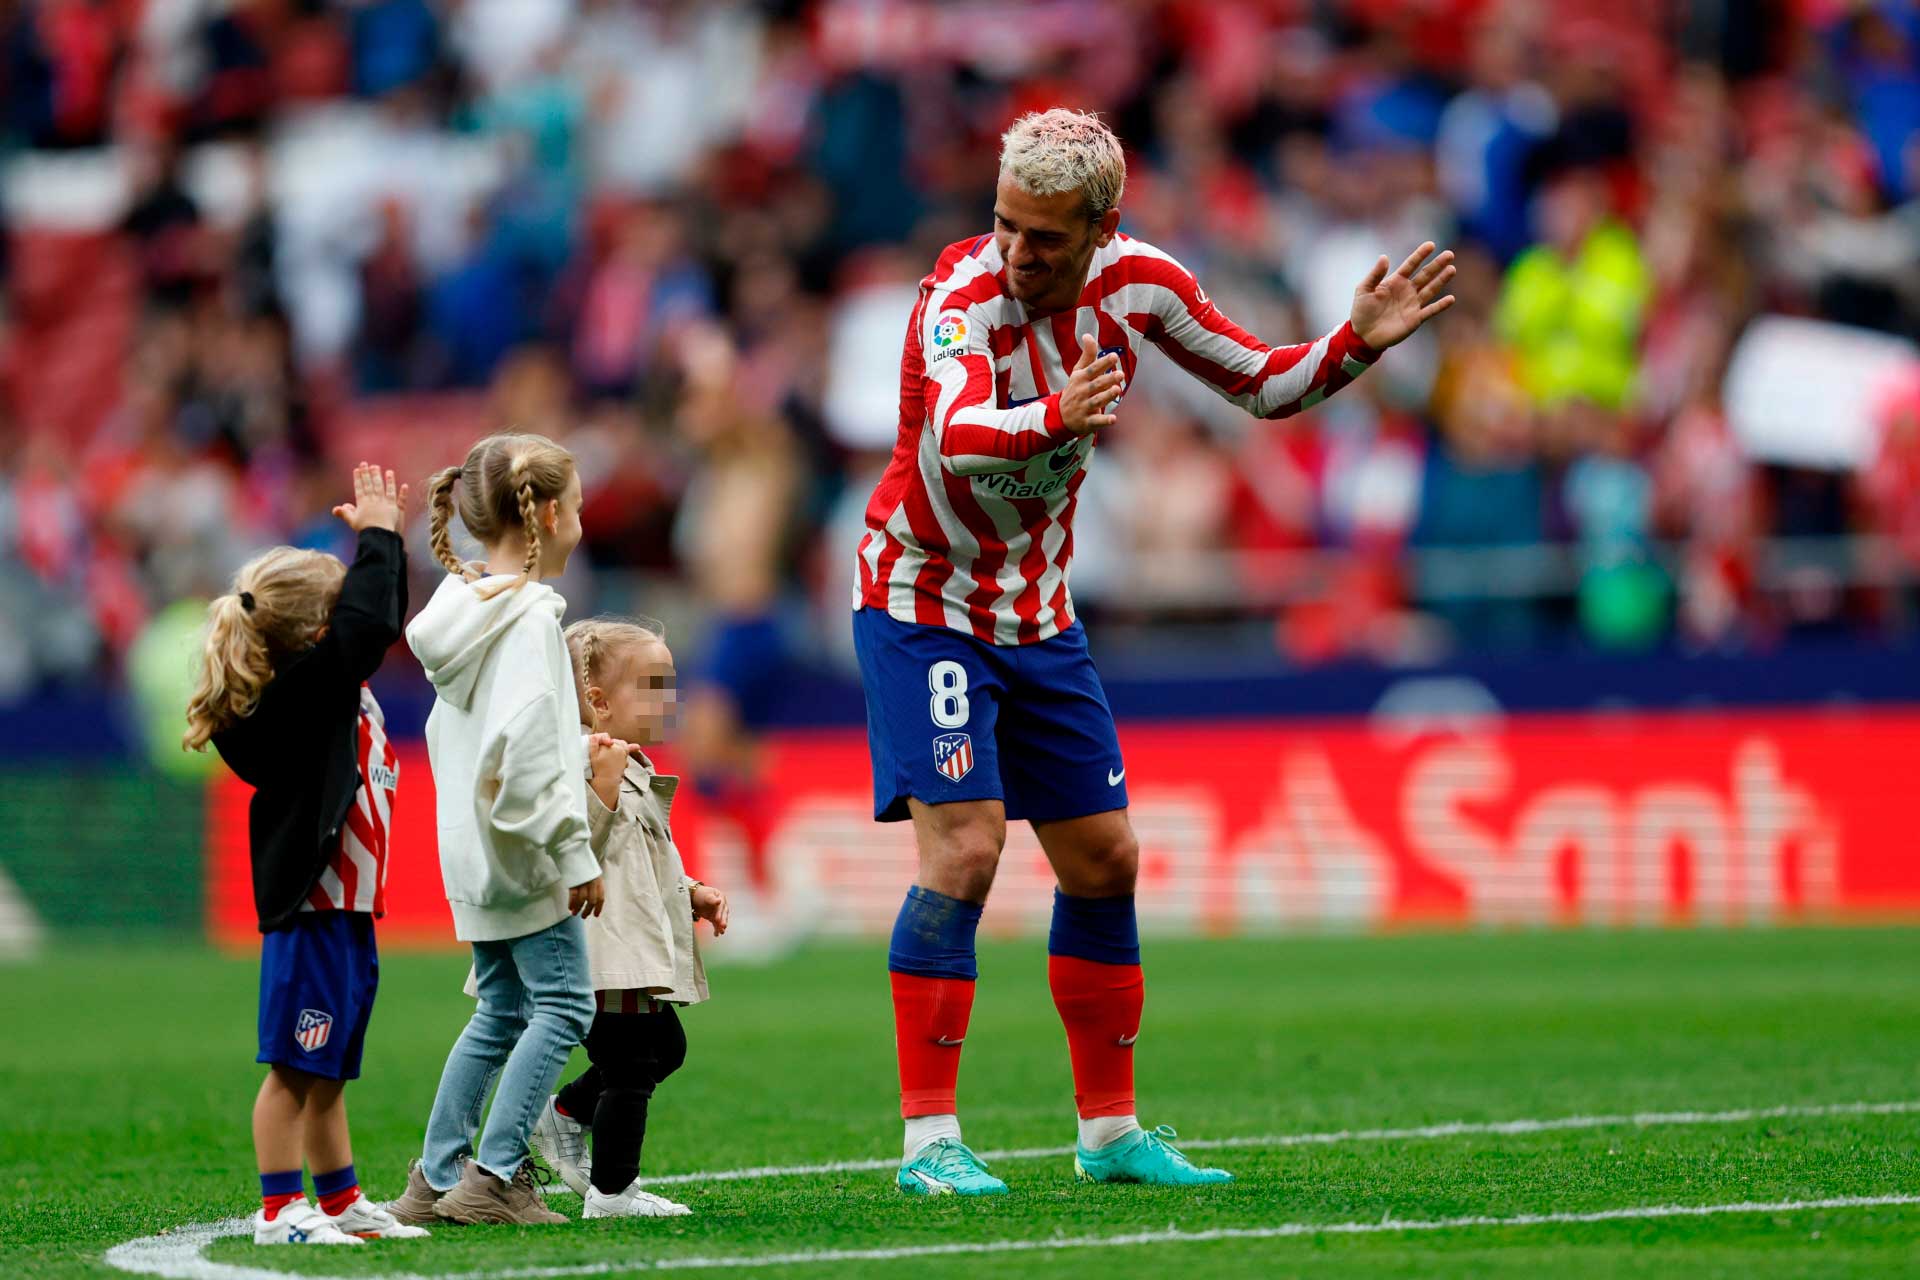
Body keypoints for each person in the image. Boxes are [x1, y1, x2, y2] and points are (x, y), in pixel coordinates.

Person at [852, 108, 1455, 1195]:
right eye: (1005, 225)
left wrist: (1357, 340)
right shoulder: (957, 295)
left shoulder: (1145, 284)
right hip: (921, 598)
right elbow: (954, 433)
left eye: (1044, 236)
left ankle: (1109, 1130)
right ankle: (928, 1140)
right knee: (965, 850)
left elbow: (1266, 385)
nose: (1017, 253)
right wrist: (1052, 412)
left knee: (1106, 859)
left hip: (1037, 612)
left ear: (1101, 226)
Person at [185, 462, 425, 1245]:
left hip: (350, 913)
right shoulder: (301, 697)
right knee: (294, 1068)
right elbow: (369, 625)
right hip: (315, 911)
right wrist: (383, 534)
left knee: (329, 1072)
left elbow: (364, 627)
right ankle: (280, 1210)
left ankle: (339, 1199)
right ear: (317, 632)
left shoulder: (329, 686)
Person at [388, 433, 605, 1227]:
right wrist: (574, 852)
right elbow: (529, 753)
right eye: (575, 505)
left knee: (501, 1011)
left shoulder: (464, 613)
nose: (580, 519)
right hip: (523, 856)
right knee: (565, 1007)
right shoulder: (527, 623)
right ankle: (497, 1175)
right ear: (548, 514)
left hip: (472, 851)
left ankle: (435, 1178)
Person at [526, 616, 731, 1219]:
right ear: (597, 701)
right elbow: (570, 850)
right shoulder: (583, 762)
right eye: (653, 685)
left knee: (662, 1046)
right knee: (633, 1063)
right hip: (603, 950)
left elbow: (641, 860)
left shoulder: (630, 761)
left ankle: (565, 1114)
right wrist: (603, 791)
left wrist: (690, 891)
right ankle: (613, 1193)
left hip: (629, 946)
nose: (670, 699)